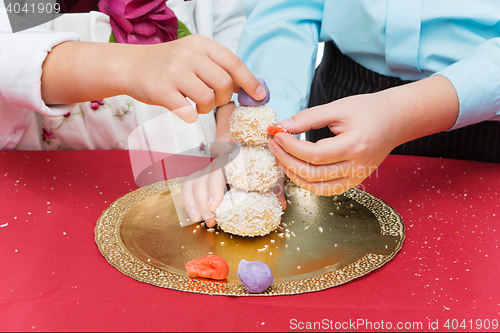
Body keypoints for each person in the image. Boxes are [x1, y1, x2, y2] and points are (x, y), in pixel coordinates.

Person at [184, 0, 500, 227]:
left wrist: (401, 112)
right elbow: (285, 8)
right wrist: (262, 136)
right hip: (341, 100)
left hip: (484, 125)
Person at [0, 0, 265, 150]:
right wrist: (130, 65)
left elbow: (225, 25)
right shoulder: (43, 5)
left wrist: (227, 122)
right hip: (68, 172)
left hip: (197, 157)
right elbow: (9, 45)